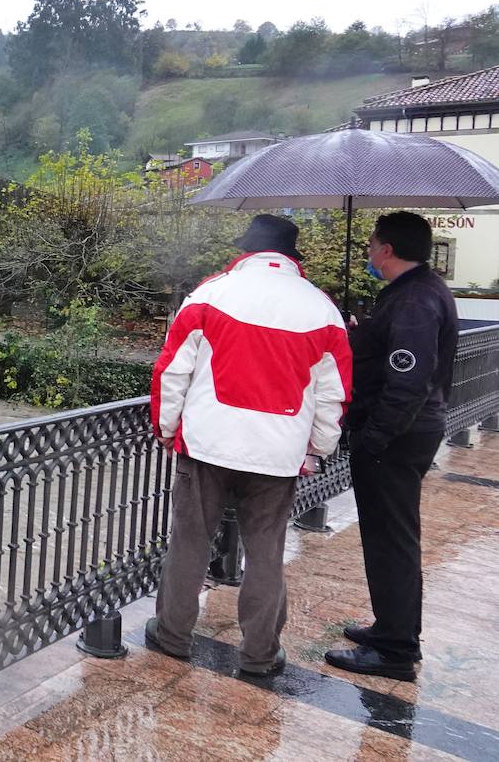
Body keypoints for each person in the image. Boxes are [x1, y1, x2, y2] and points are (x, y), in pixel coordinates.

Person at [145, 214, 351, 676]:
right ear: (291, 256)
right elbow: (332, 394)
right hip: (279, 453)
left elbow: (172, 370)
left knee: (190, 541)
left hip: (207, 443)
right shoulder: (323, 310)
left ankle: (173, 634)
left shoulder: (210, 294)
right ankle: (260, 653)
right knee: (266, 552)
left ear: (246, 251)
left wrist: (166, 427)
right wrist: (317, 449)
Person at [325, 212, 457, 682]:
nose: (367, 252)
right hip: (405, 432)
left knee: (391, 540)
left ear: (386, 249)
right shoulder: (414, 292)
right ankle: (389, 628)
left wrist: (374, 438)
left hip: (397, 438)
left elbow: (408, 380)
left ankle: (396, 650)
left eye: (371, 244)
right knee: (389, 536)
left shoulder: (415, 301)